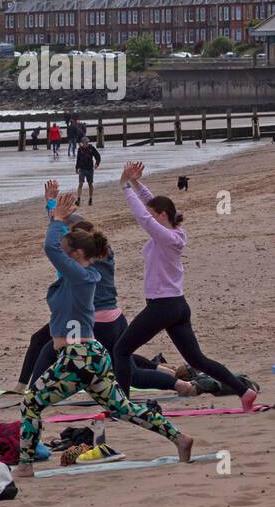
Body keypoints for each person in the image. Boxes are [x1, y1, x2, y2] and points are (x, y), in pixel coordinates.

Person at [13, 194, 194, 479]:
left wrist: (58, 218)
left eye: (67, 250)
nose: (61, 252)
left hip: (79, 357)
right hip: (90, 355)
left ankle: (25, 464)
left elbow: (52, 247)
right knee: (123, 408)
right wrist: (54, 209)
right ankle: (179, 438)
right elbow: (60, 244)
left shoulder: (82, 277)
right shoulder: (74, 274)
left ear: (75, 255)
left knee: (31, 401)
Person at [13, 181, 203, 398]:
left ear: (79, 249)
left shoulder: (79, 267)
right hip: (115, 319)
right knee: (125, 365)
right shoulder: (103, 251)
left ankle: (33, 394)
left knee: (51, 349)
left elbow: (53, 245)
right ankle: (179, 383)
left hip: (96, 322)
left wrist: (55, 212)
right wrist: (52, 205)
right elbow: (72, 222)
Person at [112, 162, 259, 410]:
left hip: (163, 306)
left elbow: (143, 215)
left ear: (161, 217)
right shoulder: (175, 231)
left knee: (121, 350)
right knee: (196, 359)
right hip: (177, 305)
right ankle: (243, 391)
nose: (150, 218)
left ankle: (123, 406)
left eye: (154, 215)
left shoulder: (166, 237)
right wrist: (137, 183)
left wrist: (126, 187)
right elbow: (156, 206)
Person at [74, 136, 101, 205]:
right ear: (82, 143)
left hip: (90, 169)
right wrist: (76, 168)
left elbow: (98, 156)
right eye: (85, 142)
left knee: (90, 184)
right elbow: (78, 159)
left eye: (87, 142)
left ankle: (90, 199)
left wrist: (96, 164)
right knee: (80, 184)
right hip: (82, 169)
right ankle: (78, 199)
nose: (86, 143)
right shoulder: (80, 149)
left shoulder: (91, 148)